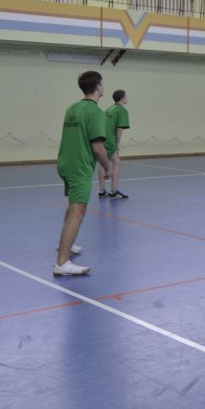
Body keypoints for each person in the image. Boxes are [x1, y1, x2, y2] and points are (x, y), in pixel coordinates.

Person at [54, 70, 112, 276]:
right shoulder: (95, 112)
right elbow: (98, 147)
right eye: (102, 83)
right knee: (78, 212)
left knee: (73, 206)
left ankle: (66, 245)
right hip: (79, 168)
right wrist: (108, 167)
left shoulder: (72, 108)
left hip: (65, 163)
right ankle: (62, 262)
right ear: (97, 87)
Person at [97, 89, 130, 199]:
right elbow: (119, 129)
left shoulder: (108, 109)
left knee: (103, 163)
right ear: (122, 98)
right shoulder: (122, 110)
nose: (127, 98)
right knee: (116, 162)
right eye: (126, 96)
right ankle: (114, 191)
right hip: (110, 140)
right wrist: (117, 145)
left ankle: (102, 190)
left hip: (101, 138)